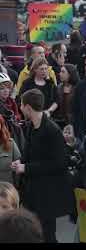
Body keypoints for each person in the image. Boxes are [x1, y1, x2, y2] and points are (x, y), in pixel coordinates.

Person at [11, 89, 73, 242]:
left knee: (47, 234)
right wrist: (21, 162)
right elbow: (30, 152)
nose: (20, 108)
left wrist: (27, 168)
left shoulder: (52, 130)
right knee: (34, 233)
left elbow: (60, 163)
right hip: (33, 190)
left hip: (48, 193)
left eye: (21, 105)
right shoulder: (31, 126)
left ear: (28, 108)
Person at [54, 64, 79, 128]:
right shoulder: (59, 87)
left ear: (70, 74)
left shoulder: (78, 88)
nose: (60, 74)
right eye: (60, 72)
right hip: (59, 121)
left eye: (63, 72)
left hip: (73, 122)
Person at [0, 115, 21, 184]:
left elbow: (19, 164)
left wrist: (17, 164)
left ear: (1, 126)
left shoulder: (10, 143)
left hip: (7, 190)